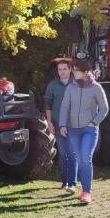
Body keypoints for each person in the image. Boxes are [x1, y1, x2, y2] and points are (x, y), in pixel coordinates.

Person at [59, 59, 108, 204]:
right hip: (73, 130)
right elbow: (65, 107)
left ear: (85, 72)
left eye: (76, 70)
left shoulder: (96, 88)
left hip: (89, 130)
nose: (73, 73)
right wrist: (62, 125)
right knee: (80, 159)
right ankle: (80, 187)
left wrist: (94, 122)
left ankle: (87, 192)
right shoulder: (70, 88)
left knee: (86, 158)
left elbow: (104, 108)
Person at [45, 58, 75, 193]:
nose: (62, 72)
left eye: (64, 69)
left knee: (72, 153)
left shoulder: (77, 83)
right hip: (58, 123)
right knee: (63, 153)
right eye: (59, 69)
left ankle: (72, 183)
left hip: (74, 124)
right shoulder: (52, 85)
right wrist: (49, 122)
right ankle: (65, 181)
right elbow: (48, 104)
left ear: (70, 69)